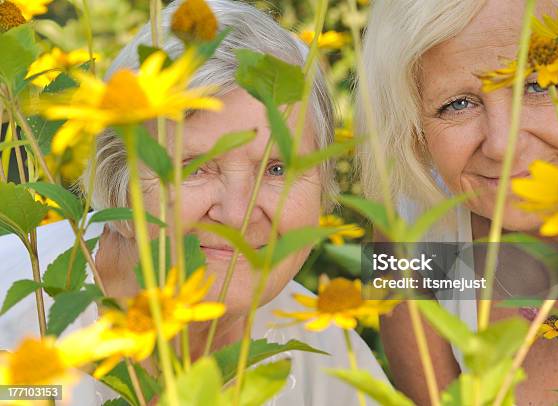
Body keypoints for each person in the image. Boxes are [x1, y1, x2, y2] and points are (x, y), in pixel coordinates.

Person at [0, 0, 387, 404]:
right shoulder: (17, 334)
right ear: (118, 179)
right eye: (194, 167)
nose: (236, 215)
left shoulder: (331, 355)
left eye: (277, 170)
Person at [356, 0, 558, 404]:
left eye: (537, 85)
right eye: (457, 103)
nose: (501, 145)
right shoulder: (413, 224)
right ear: (411, 128)